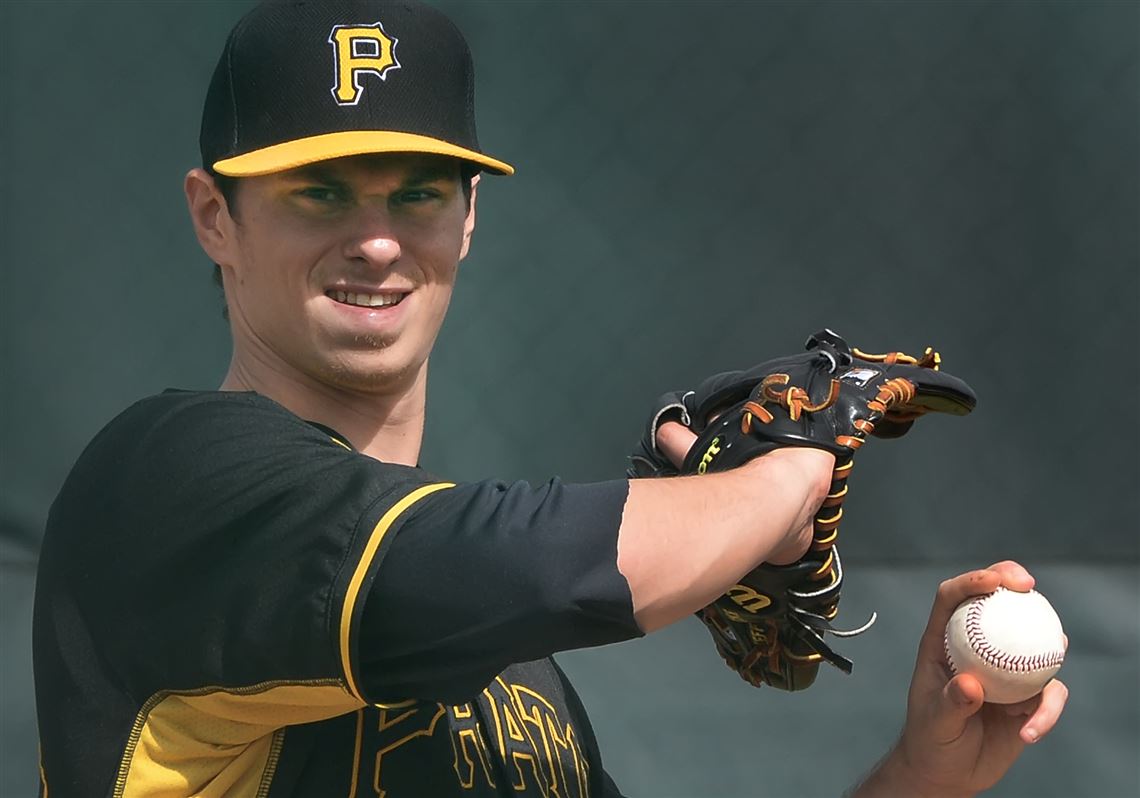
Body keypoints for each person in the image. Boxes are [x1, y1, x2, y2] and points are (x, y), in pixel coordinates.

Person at [32, 1, 1067, 796]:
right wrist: (787, 478)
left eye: (417, 193)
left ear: (469, 218)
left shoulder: (518, 681)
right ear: (214, 216)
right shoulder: (164, 484)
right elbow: (531, 567)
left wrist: (920, 778)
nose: (378, 241)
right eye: (321, 191)